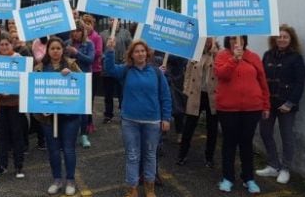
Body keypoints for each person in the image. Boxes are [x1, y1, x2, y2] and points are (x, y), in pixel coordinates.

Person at [104, 38, 172, 197]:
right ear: (132, 55)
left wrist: (166, 118)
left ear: (147, 53)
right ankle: (132, 189)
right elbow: (109, 69)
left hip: (152, 122)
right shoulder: (126, 70)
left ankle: (150, 188)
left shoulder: (156, 72)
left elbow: (165, 96)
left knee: (150, 155)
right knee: (132, 156)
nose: (140, 53)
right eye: (137, 51)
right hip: (130, 122)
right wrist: (110, 51)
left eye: (143, 51)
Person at [214, 36, 270, 194]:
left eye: (239, 38)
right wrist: (234, 59)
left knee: (246, 143)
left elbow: (262, 81)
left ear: (244, 40)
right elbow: (221, 74)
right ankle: (227, 178)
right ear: (228, 41)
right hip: (228, 109)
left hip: (252, 109)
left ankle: (248, 178)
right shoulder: (222, 56)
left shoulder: (253, 57)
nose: (236, 41)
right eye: (232, 38)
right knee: (229, 143)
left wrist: (266, 105)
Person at [255, 25, 305, 184]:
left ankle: (285, 169)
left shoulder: (296, 58)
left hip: (286, 105)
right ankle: (273, 165)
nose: (282, 39)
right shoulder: (268, 55)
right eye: (279, 36)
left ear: (291, 40)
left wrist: (290, 103)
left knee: (287, 137)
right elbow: (261, 78)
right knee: (265, 132)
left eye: (285, 37)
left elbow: (300, 82)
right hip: (268, 103)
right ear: (274, 39)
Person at [33, 36, 82, 196]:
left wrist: (73, 75)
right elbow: (34, 91)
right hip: (48, 117)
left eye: (58, 48)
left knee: (68, 149)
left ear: (63, 50)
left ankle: (70, 180)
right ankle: (56, 180)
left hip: (70, 117)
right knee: (53, 150)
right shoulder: (40, 68)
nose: (55, 51)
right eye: (52, 48)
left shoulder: (71, 64)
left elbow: (83, 84)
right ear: (48, 50)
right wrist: (40, 109)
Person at [177, 38, 219, 168]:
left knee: (212, 128)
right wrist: (186, 89)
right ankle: (182, 155)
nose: (207, 41)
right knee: (189, 126)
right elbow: (188, 73)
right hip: (196, 94)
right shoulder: (195, 53)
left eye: (209, 38)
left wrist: (215, 54)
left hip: (212, 95)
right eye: (205, 38)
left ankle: (209, 157)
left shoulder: (219, 54)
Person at [0, 33, 27, 179]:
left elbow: (24, 81)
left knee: (16, 134)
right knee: (2, 135)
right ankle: (2, 165)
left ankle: (18, 166)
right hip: (0, 104)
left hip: (15, 103)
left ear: (12, 45)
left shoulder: (19, 60)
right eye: (1, 44)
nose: (4, 47)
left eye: (7, 44)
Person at [65, 22, 95, 149]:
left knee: (83, 109)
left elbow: (90, 60)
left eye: (78, 30)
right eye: (74, 30)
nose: (76, 33)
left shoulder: (89, 44)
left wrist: (76, 53)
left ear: (83, 32)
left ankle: (83, 135)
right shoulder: (67, 43)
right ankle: (70, 134)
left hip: (84, 78)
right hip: (70, 79)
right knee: (71, 107)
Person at [99, 18, 132, 123]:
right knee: (108, 94)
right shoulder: (103, 34)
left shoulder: (126, 33)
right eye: (110, 20)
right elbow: (100, 50)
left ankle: (123, 114)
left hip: (122, 68)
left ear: (120, 22)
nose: (113, 22)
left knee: (122, 93)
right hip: (107, 70)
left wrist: (126, 58)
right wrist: (105, 57)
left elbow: (130, 47)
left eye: (115, 20)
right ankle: (108, 115)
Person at [80, 14, 102, 135]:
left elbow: (98, 53)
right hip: (82, 71)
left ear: (93, 24)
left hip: (95, 71)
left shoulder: (96, 37)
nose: (87, 26)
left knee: (90, 98)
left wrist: (89, 50)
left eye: (89, 23)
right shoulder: (79, 37)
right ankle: (85, 122)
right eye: (85, 23)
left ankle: (90, 122)